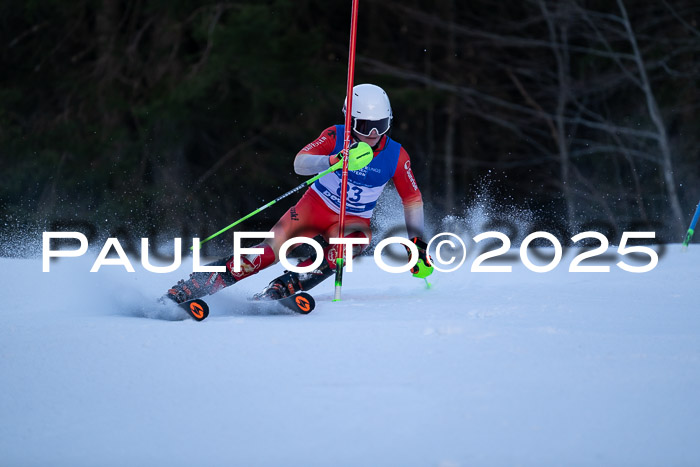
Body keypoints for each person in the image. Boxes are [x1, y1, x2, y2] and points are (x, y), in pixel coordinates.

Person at [165, 83, 432, 304]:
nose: (373, 135)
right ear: (349, 120)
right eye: (364, 126)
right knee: (268, 252)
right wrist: (332, 160)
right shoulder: (335, 136)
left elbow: (412, 199)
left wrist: (417, 242)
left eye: (381, 125)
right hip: (314, 207)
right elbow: (300, 163)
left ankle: (287, 285)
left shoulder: (397, 156)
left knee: (353, 243)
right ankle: (194, 286)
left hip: (353, 220)